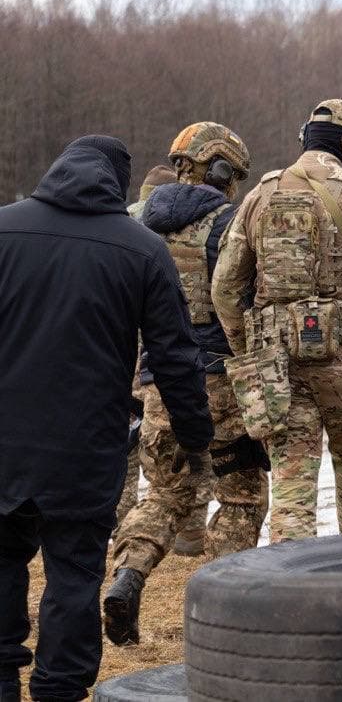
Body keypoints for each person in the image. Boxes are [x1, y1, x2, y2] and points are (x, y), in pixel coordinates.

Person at [0, 136, 210, 702]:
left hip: (3, 442)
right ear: (119, 182)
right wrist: (195, 438)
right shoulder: (141, 249)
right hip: (83, 446)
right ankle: (60, 691)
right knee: (72, 574)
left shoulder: (3, 228)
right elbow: (174, 356)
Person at [212, 99, 342, 543]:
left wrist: (247, 352)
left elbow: (225, 290)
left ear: (304, 137)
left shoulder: (257, 197)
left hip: (278, 366)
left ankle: (291, 595)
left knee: (291, 491)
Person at [105, 123, 270, 647]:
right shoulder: (230, 224)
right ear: (221, 171)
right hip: (219, 383)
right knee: (242, 498)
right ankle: (224, 615)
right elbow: (244, 300)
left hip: (157, 384)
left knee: (165, 494)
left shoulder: (138, 226)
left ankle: (127, 577)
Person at [116, 165, 179, 539]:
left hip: (120, 349)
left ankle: (120, 519)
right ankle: (175, 523)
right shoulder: (181, 228)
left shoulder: (121, 223)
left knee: (122, 445)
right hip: (155, 354)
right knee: (162, 444)